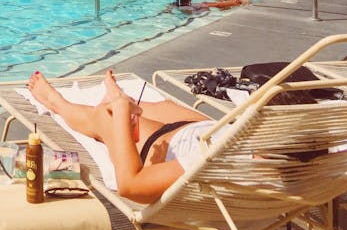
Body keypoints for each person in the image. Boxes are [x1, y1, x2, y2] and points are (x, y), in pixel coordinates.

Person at [27, 68, 212, 204]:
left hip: (181, 143)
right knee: (163, 107)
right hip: (209, 130)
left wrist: (121, 110)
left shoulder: (215, 162)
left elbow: (131, 186)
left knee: (104, 117)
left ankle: (57, 102)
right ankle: (121, 101)